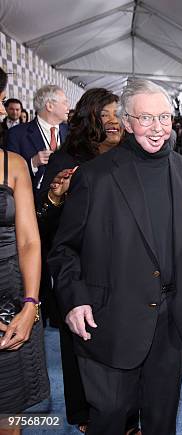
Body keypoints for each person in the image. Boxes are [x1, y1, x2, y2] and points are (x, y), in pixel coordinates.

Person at [48, 79, 182, 435]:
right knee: (110, 419)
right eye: (146, 118)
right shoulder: (96, 176)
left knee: (162, 421)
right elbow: (64, 249)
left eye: (164, 117)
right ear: (127, 122)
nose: (157, 128)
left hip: (173, 321)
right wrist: (74, 300)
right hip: (112, 319)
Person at [35, 88, 137, 434]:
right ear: (89, 116)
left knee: (127, 341)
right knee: (78, 340)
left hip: (124, 265)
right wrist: (54, 196)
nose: (112, 121)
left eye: (116, 114)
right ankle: (84, 413)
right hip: (79, 266)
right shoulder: (67, 158)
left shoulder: (133, 154)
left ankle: (126, 417)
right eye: (105, 114)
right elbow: (44, 221)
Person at [0, 67, 50, 430]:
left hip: (10, 306)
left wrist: (30, 305)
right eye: (1, 102)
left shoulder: (12, 164)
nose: (3, 110)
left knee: (8, 416)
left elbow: (30, 240)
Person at [5, 85, 70, 188]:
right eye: (64, 102)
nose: (68, 107)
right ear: (50, 106)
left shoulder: (70, 132)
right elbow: (8, 173)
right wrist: (32, 163)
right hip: (33, 200)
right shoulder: (17, 134)